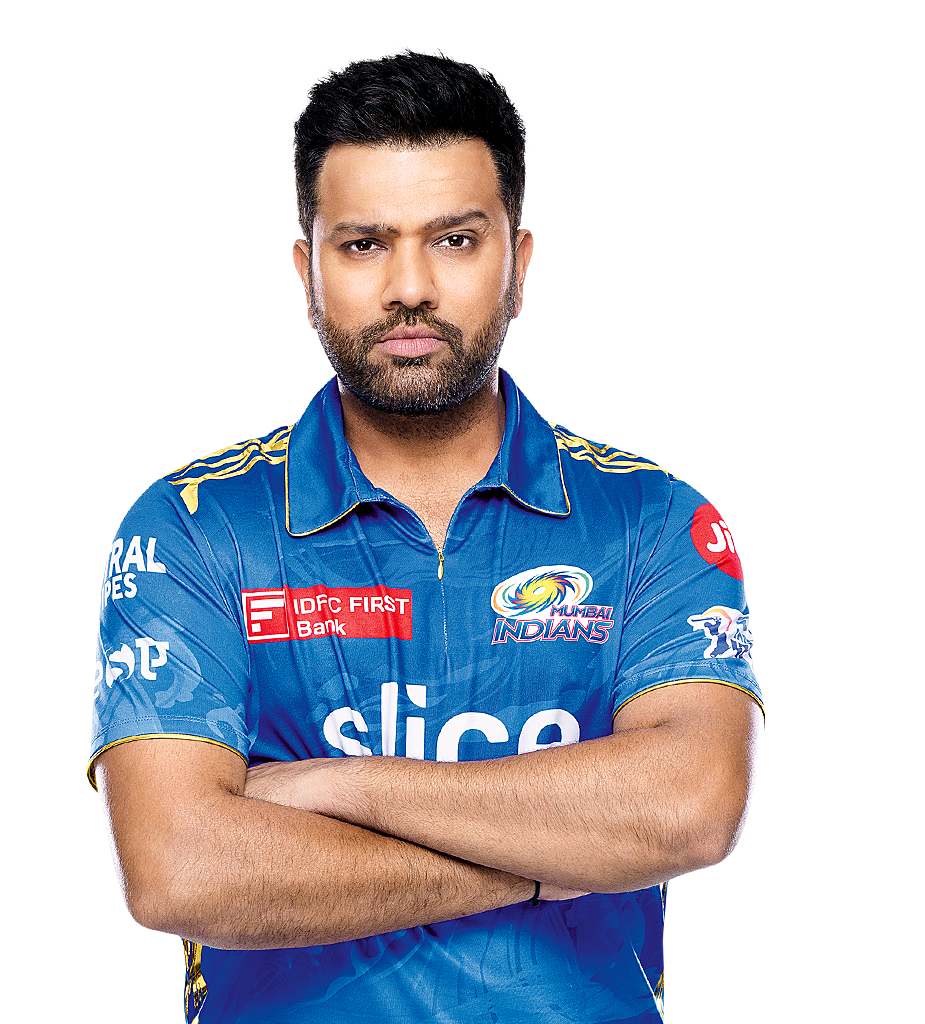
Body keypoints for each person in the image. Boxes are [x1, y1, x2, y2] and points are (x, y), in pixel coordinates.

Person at [89, 53, 765, 1024]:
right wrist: (551, 861)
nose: (410, 287)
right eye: (364, 243)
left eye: (454, 239)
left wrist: (341, 786)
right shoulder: (196, 528)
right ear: (304, 268)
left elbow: (687, 810)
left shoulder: (651, 519)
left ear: (520, 259)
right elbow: (180, 871)